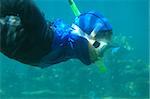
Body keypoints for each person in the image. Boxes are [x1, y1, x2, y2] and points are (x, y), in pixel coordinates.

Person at [0, 0, 112, 68]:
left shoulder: (60, 48)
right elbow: (21, 2)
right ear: (85, 36)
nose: (101, 56)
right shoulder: (47, 39)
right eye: (100, 48)